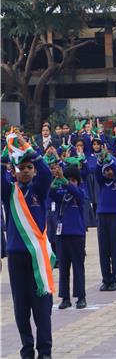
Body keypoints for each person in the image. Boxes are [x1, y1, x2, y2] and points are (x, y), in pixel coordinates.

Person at [1, 133, 55, 359]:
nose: (25, 171)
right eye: (20, 168)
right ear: (13, 172)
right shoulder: (9, 192)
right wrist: (6, 152)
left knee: (42, 307)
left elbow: (47, 173)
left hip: (37, 257)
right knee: (21, 307)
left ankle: (45, 352)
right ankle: (26, 350)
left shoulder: (39, 190)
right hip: (16, 257)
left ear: (34, 171)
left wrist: (27, 148)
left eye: (29, 168)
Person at [50, 166, 87, 309]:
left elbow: (77, 193)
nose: (71, 182)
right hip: (62, 235)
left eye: (73, 180)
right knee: (63, 267)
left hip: (76, 234)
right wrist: (56, 179)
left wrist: (64, 180)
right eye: (69, 179)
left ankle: (81, 296)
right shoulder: (61, 194)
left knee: (78, 266)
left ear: (78, 181)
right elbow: (51, 193)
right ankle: (65, 297)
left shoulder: (80, 192)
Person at [95, 150, 116, 291]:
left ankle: (115, 280)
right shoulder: (102, 183)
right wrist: (100, 161)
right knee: (103, 250)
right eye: (106, 170)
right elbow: (97, 173)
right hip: (102, 217)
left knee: (115, 249)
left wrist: (110, 161)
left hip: (115, 217)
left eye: (111, 170)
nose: (109, 172)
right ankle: (105, 279)